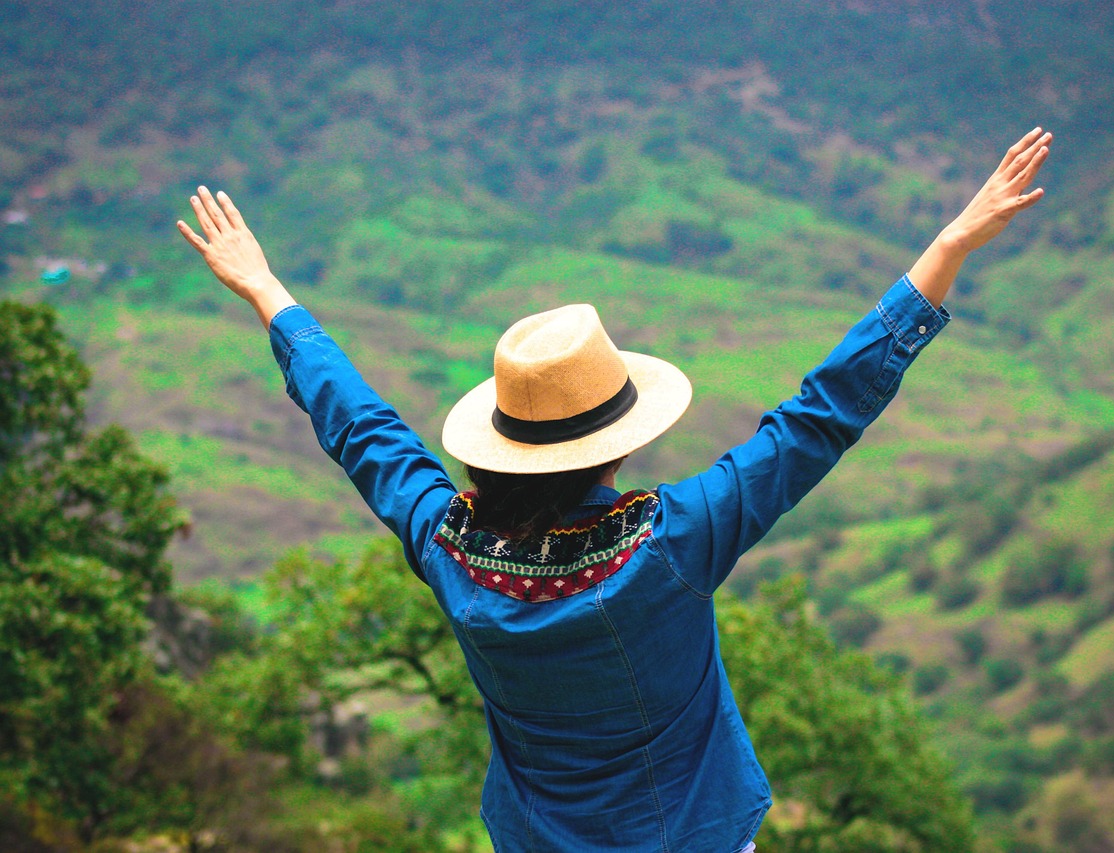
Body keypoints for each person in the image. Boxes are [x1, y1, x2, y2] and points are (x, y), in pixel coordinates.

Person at [178, 128, 1052, 852]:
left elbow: (362, 431)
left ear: (499, 448)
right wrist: (949, 247)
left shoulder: (448, 545)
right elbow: (817, 418)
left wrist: (267, 291)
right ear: (615, 448)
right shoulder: (671, 542)